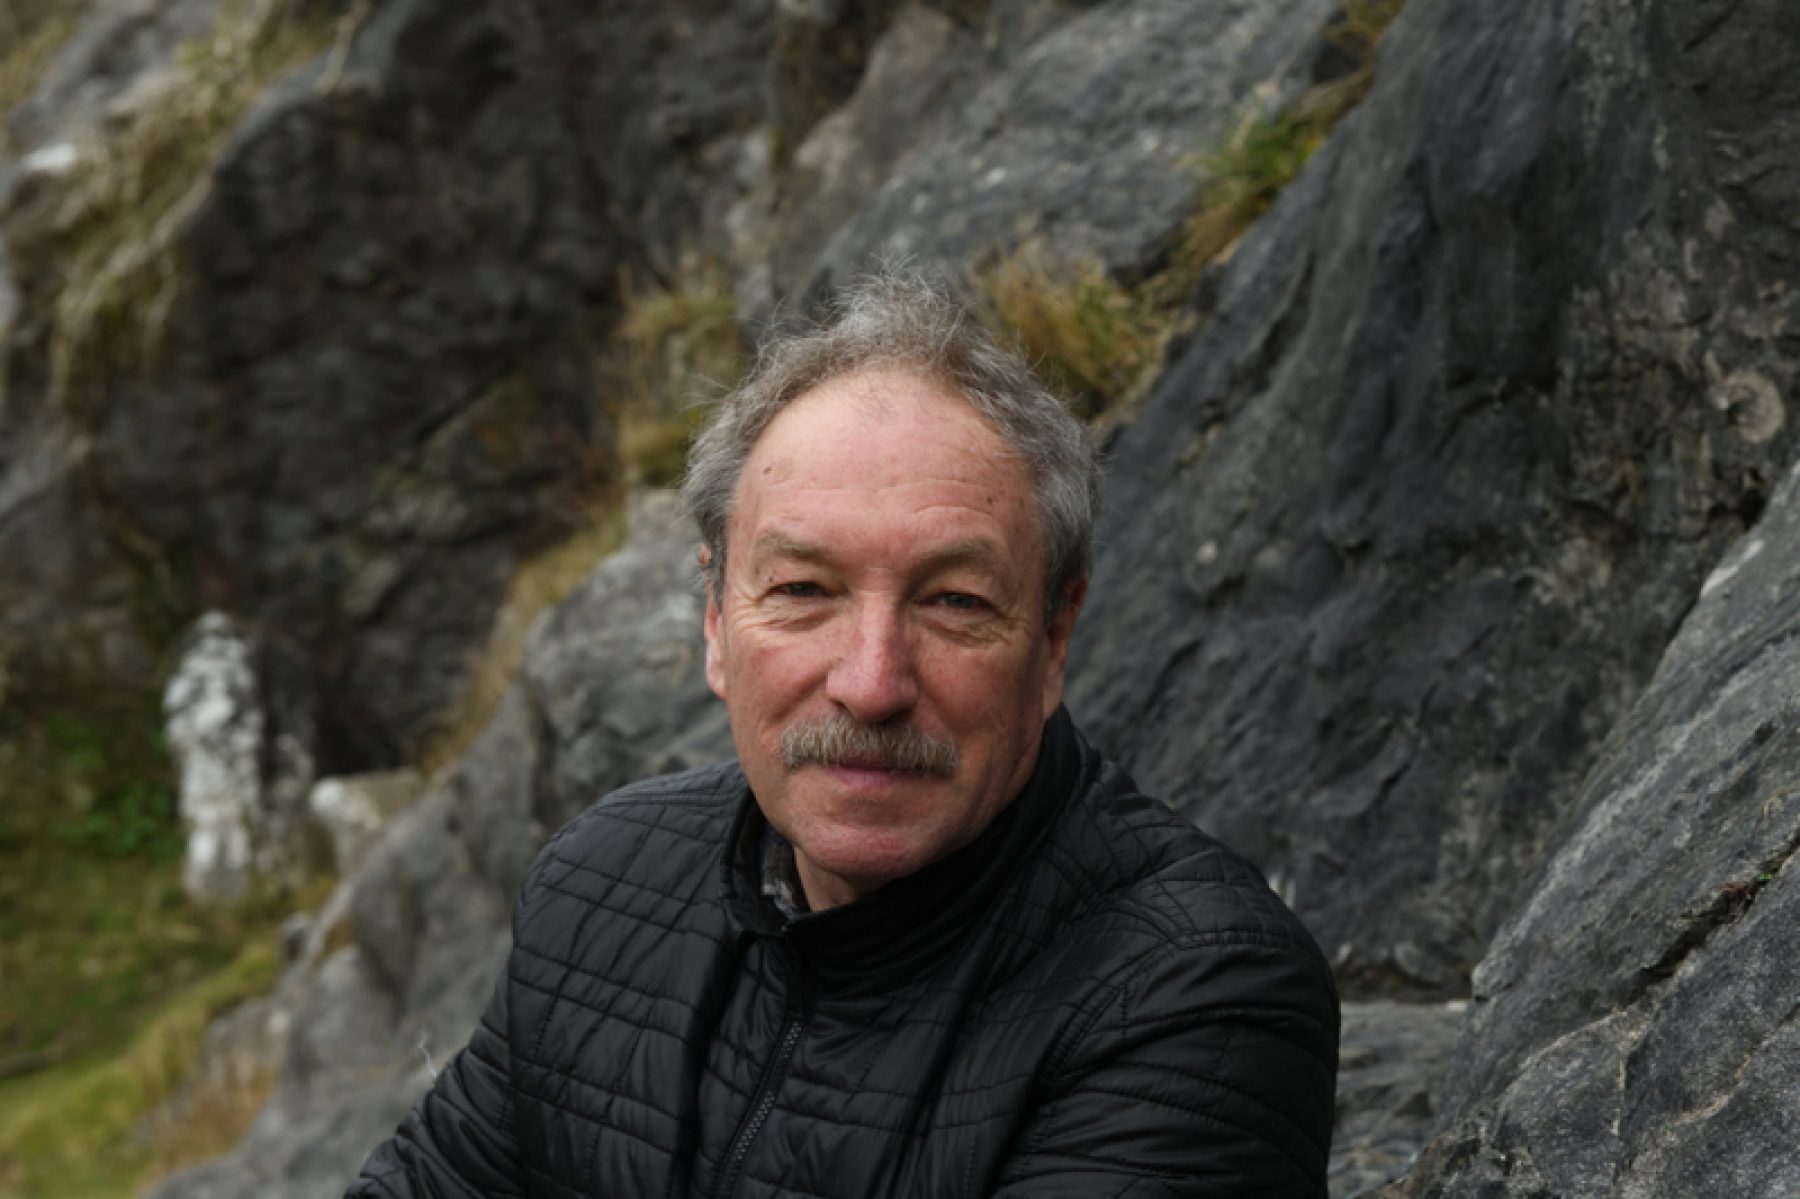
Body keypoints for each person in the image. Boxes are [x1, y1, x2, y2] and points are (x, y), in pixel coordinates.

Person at [349, 270, 1339, 1197]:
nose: (870, 683)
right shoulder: (604, 883)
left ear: (1052, 637)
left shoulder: (1196, 998)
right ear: (714, 622)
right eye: (803, 591)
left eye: (953, 600)